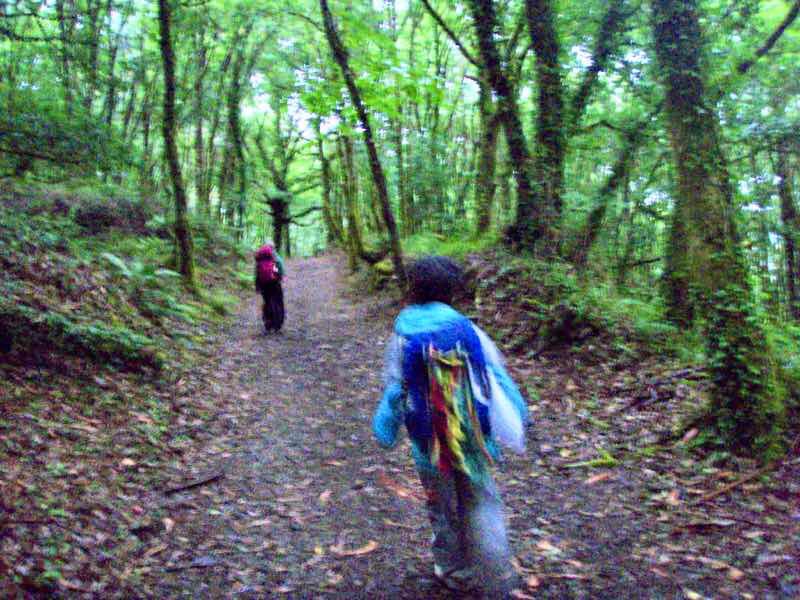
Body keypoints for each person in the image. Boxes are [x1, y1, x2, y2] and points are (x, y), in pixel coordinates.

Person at [372, 256, 528, 595]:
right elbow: (495, 377)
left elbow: (396, 386)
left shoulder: (403, 333)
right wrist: (518, 414)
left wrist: (385, 427)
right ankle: (495, 560)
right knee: (481, 498)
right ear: (451, 291)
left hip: (429, 445)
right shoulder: (467, 330)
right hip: (474, 438)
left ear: (413, 289)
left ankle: (451, 567)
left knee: (440, 506)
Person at [254, 243, 285, 333]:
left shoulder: (260, 259)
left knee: (267, 302)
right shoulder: (275, 257)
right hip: (274, 283)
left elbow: (257, 273)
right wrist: (279, 278)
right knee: (278, 302)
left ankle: (268, 323)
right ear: (273, 248)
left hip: (263, 284)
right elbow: (280, 270)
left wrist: (257, 286)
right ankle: (277, 324)